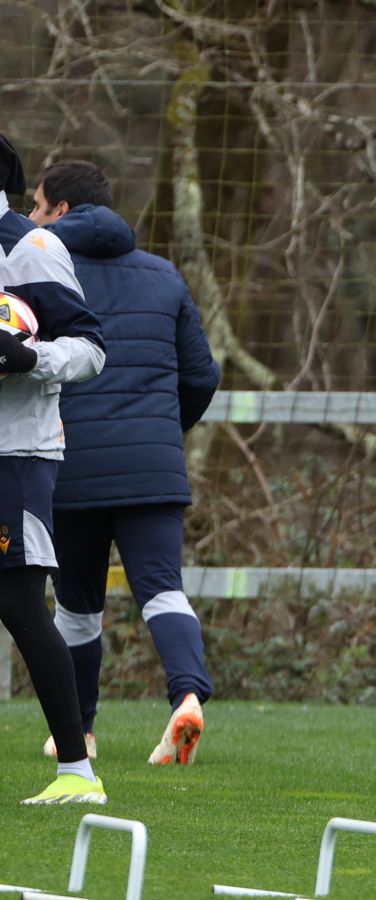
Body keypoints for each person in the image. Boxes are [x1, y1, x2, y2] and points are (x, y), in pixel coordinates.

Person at [27, 160, 220, 766]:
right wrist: (164, 433)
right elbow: (203, 376)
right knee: (164, 593)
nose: (29, 218)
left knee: (77, 609)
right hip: (154, 470)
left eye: (35, 206)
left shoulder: (36, 274)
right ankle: (187, 696)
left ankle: (77, 732)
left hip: (70, 468)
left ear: (60, 210)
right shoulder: (164, 275)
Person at [0, 132, 109, 803]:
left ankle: (77, 771)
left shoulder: (29, 247)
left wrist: (27, 359)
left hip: (15, 453)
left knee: (17, 599)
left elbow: (91, 348)